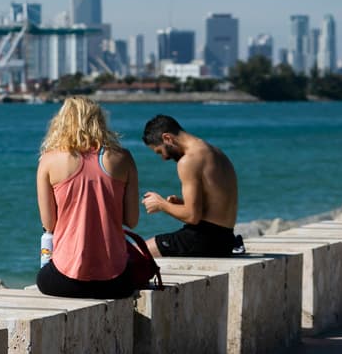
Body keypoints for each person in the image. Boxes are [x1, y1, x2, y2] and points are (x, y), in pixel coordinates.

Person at [36, 96, 142, 299]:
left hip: (67, 278)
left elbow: (49, 224)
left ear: (61, 122)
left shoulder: (49, 160)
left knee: (43, 276)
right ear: (99, 121)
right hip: (116, 280)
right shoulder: (123, 158)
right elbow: (132, 221)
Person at [140, 114, 240, 257]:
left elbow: (192, 217)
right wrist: (180, 203)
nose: (164, 158)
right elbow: (217, 206)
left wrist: (161, 204)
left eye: (160, 151)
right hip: (226, 238)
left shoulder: (189, 160)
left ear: (167, 138)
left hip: (204, 239)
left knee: (135, 253)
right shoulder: (215, 152)